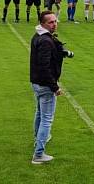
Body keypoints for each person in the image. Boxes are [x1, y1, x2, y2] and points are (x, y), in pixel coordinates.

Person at [30, 10, 70, 164]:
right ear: (43, 24)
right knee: (47, 119)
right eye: (51, 22)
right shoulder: (46, 40)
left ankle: (39, 138)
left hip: (36, 82)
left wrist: (62, 53)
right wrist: (55, 87)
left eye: (55, 21)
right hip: (45, 84)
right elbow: (44, 66)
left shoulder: (38, 36)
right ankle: (39, 154)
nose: (55, 24)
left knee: (40, 113)